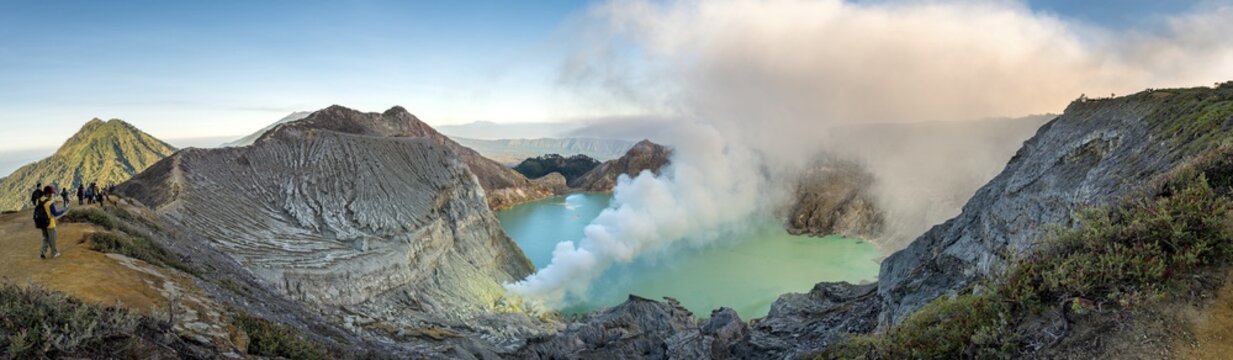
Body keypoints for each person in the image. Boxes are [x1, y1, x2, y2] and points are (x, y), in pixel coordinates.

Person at [33, 186, 68, 259]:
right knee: (53, 239)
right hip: (50, 223)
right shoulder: (50, 203)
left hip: (42, 223)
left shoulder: (40, 200)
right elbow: (55, 213)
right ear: (48, 193)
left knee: (46, 238)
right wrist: (64, 210)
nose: (52, 195)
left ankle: (43, 252)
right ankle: (54, 253)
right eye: (51, 193)